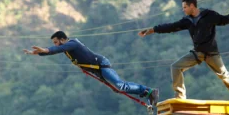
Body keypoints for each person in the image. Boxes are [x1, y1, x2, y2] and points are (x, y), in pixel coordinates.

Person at [138, 0, 229, 101]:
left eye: (185, 7)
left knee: (224, 75)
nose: (183, 10)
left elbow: (225, 20)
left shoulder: (209, 15)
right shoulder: (188, 21)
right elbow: (171, 27)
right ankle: (180, 96)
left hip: (211, 53)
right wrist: (153, 30)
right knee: (175, 67)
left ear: (192, 6)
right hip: (198, 53)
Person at [23, 31, 159, 105]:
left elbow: (56, 50)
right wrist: (40, 52)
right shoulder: (66, 48)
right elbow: (56, 50)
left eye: (56, 42)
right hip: (97, 69)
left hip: (101, 65)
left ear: (63, 39)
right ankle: (146, 93)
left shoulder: (72, 43)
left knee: (121, 86)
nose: (56, 45)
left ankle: (149, 91)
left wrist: (46, 50)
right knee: (118, 89)